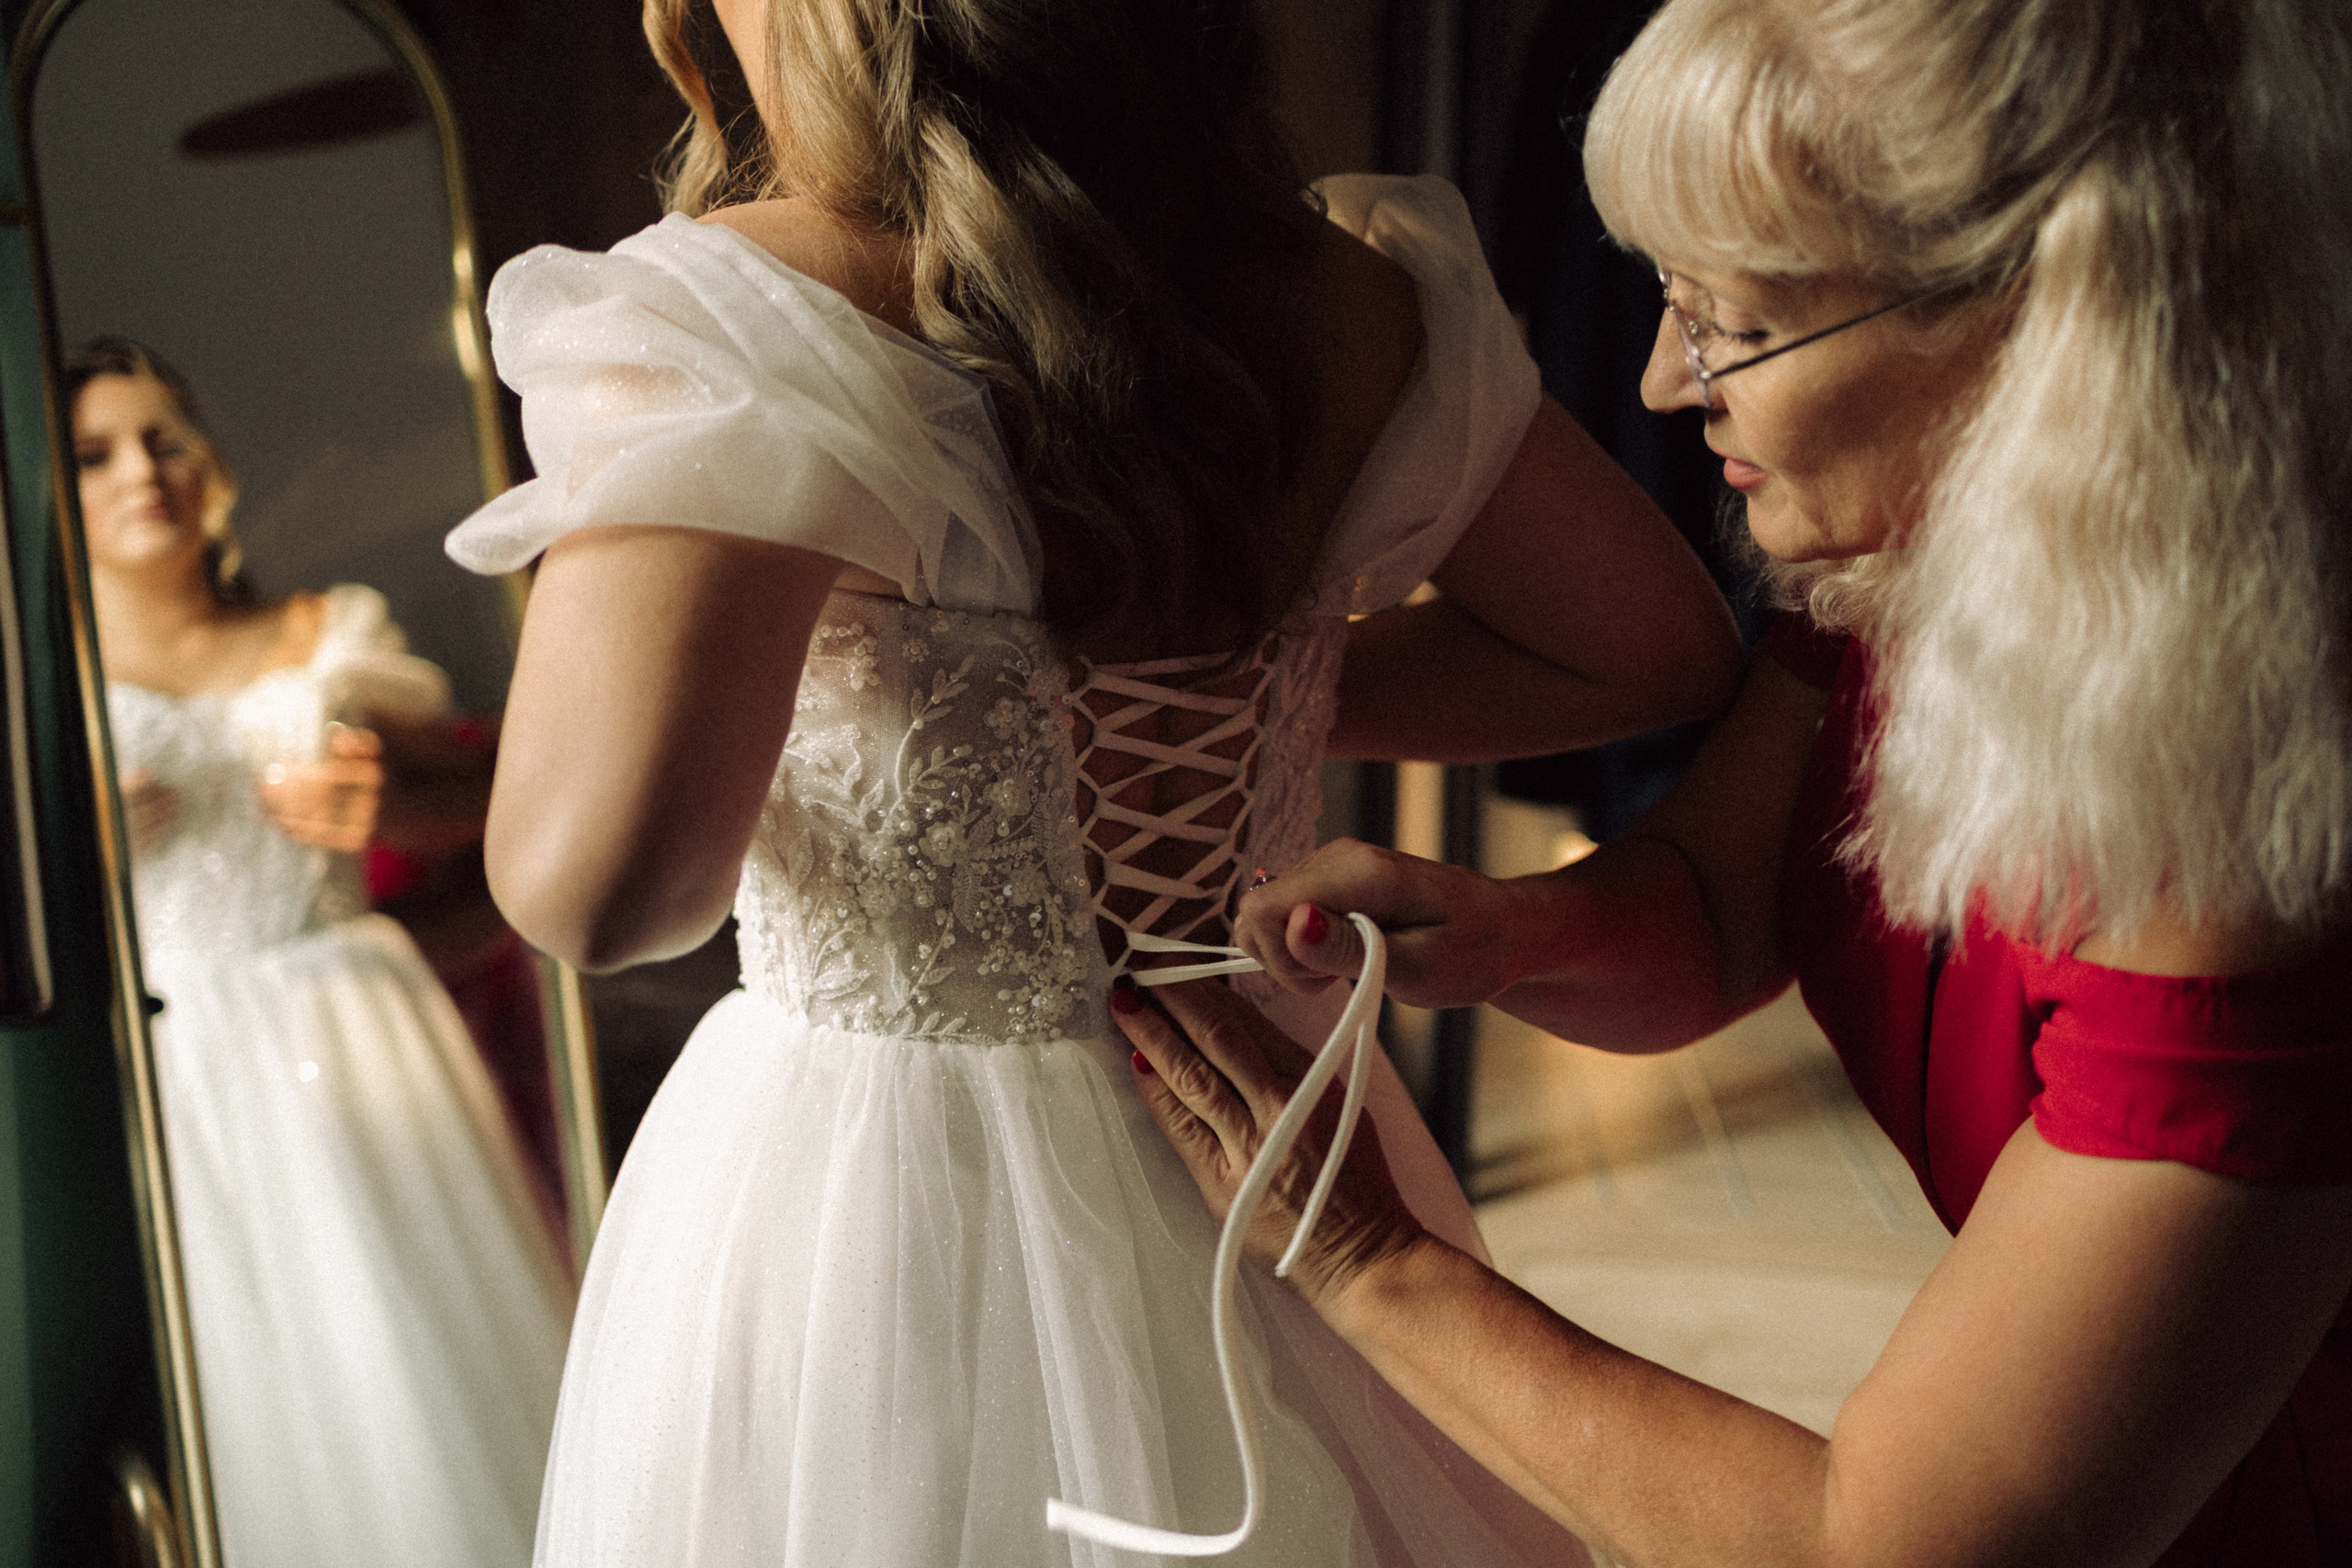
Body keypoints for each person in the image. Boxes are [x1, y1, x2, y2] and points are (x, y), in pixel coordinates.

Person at [444, 0, 1744, 1561]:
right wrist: (1258, 686)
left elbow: (602, 894)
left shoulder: (741, 313)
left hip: (880, 1184)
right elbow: (1647, 649)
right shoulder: (1342, 295)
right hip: (1264, 1117)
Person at [1110, 1, 2352, 1564]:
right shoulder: (1942, 560)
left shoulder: (2248, 850)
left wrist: (1367, 1259)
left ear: (2048, 323)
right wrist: (1508, 932)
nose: (1657, 385)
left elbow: (1885, 1545)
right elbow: (1721, 897)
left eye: (1734, 322)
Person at [72, 339, 574, 1568]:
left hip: (358, 1025)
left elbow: (515, 794)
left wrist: (395, 793)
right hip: (180, 1078)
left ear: (214, 467)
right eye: (96, 452)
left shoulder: (329, 631)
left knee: (436, 1362)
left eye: (165, 435)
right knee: (272, 1388)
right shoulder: (45, 700)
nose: (142, 467)